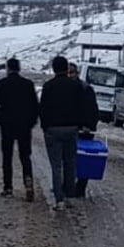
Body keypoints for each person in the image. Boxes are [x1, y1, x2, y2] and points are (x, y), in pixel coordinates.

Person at [39, 56, 85, 210]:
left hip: (53, 129)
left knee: (56, 166)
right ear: (66, 69)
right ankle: (69, 196)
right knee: (70, 163)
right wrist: (79, 125)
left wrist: (45, 127)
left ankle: (59, 200)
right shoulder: (75, 86)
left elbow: (43, 109)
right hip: (71, 129)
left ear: (53, 69)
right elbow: (81, 107)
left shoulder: (48, 86)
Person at [0, 58, 38, 201]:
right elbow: (35, 107)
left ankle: (8, 187)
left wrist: (0, 121)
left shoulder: (1, 84)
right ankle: (28, 183)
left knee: (7, 157)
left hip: (7, 126)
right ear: (19, 68)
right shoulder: (28, 84)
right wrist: (30, 123)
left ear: (8, 68)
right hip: (24, 127)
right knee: (25, 156)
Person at [67, 62, 99, 199]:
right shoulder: (64, 88)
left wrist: (89, 126)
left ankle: (80, 187)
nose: (70, 75)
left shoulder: (86, 89)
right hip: (69, 127)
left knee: (84, 159)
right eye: (68, 73)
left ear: (77, 73)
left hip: (84, 129)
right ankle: (67, 186)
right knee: (68, 159)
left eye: (72, 72)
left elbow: (93, 110)